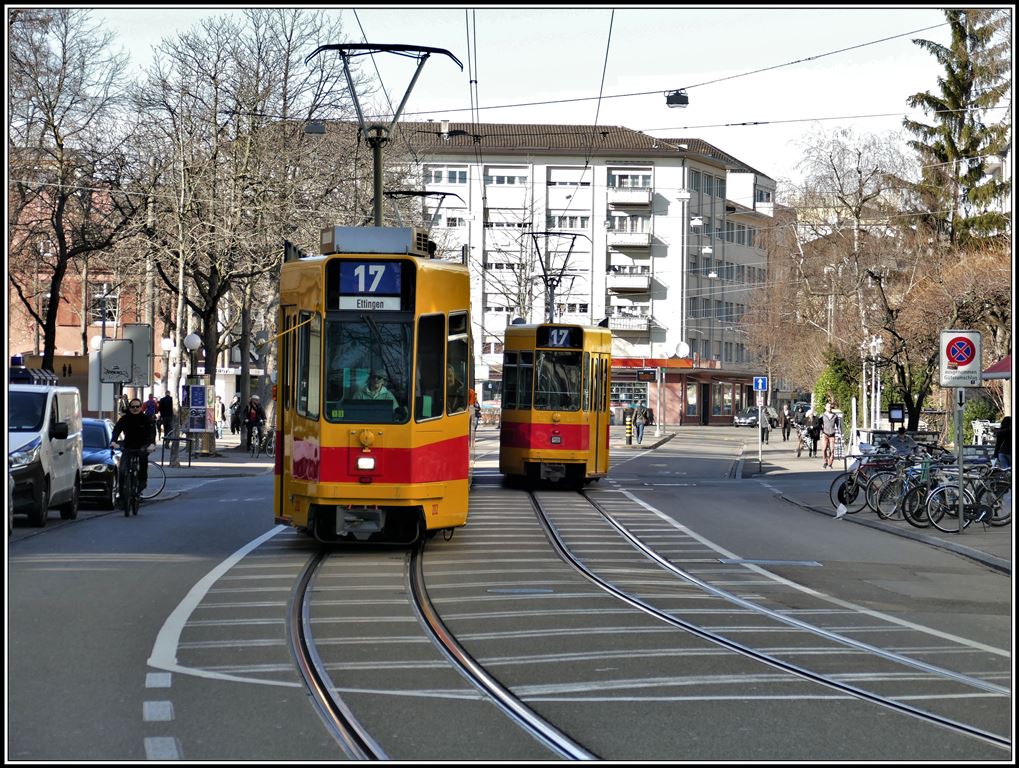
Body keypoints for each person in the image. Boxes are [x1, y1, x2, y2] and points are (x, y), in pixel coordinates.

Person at [111, 397, 157, 493]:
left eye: (137, 406)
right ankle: (122, 494)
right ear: (130, 407)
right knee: (122, 469)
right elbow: (117, 429)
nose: (135, 408)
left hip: (143, 445)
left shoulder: (146, 419)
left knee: (143, 460)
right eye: (132, 407)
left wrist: (152, 444)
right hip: (128, 446)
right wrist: (113, 441)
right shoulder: (125, 419)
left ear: (141, 407)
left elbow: (152, 432)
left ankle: (142, 482)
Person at [819, 402, 841, 469]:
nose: (829, 408)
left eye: (830, 407)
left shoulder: (835, 416)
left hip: (832, 435)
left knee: (832, 450)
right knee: (824, 449)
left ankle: (830, 464)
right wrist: (821, 430)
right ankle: (825, 462)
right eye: (828, 407)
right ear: (825, 408)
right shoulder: (822, 415)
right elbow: (819, 424)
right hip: (825, 434)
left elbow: (838, 425)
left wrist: (840, 433)